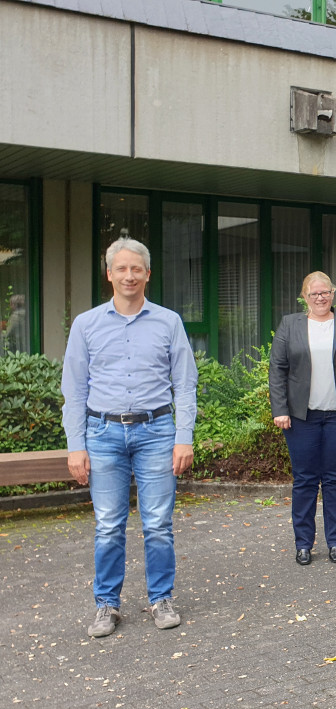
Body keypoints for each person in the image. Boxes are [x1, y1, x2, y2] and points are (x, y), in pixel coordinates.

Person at [60, 237, 198, 638]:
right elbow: (75, 390)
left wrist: (183, 437)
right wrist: (76, 446)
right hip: (102, 434)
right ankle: (106, 605)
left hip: (156, 431)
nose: (129, 275)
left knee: (157, 524)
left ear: (148, 274)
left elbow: (184, 385)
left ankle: (161, 598)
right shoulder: (86, 325)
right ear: (109, 275)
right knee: (107, 525)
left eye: (136, 269)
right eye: (121, 268)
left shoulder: (169, 322)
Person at [269, 272, 336, 567]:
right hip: (301, 418)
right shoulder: (290, 325)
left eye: (325, 292)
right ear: (304, 296)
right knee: (304, 480)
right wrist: (280, 409)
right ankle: (303, 544)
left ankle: (335, 542)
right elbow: (277, 369)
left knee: (335, 479)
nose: (320, 298)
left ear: (333, 293)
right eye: (314, 294)